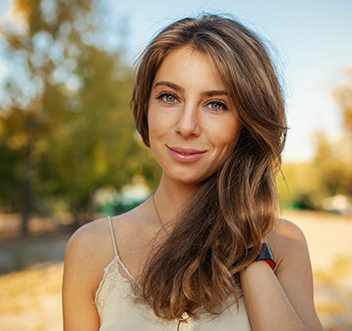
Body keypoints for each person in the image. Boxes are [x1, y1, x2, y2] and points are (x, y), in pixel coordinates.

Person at [62, 14, 323, 331]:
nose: (186, 126)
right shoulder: (92, 247)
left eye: (216, 104)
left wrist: (247, 243)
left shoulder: (283, 244)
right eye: (169, 97)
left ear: (247, 123)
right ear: (146, 108)